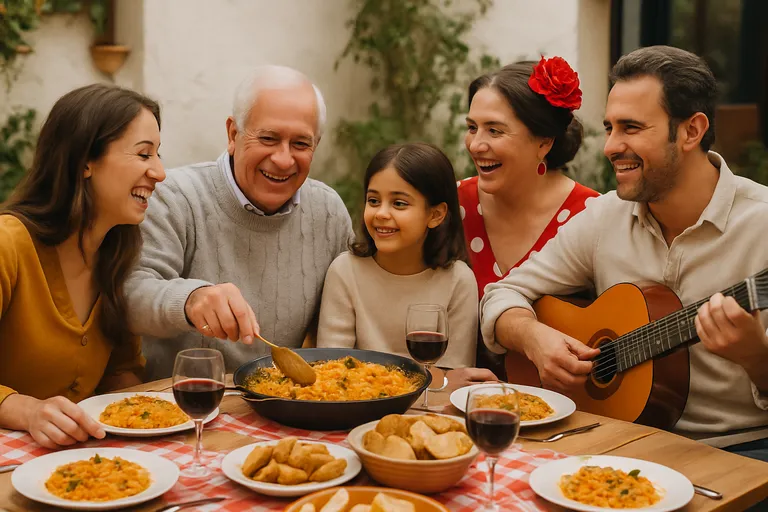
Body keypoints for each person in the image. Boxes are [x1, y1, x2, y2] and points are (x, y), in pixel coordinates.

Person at [480, 45, 768, 458]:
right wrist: (534, 338)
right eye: (609, 128)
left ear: (691, 131)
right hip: (615, 440)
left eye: (630, 127)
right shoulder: (605, 217)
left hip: (739, 449)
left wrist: (756, 356)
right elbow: (502, 294)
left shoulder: (761, 225)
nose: (610, 146)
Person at [124, 65, 353, 380]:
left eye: (301, 144)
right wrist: (191, 299)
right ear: (233, 134)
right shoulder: (174, 196)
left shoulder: (329, 212)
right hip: (179, 399)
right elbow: (129, 294)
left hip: (283, 400)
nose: (284, 159)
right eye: (269, 138)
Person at [0, 84, 166, 448]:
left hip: (81, 463)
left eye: (158, 155)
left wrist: (146, 415)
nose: (160, 172)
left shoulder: (116, 255)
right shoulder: (7, 244)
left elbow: (122, 370)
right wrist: (27, 411)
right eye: (144, 154)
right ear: (84, 161)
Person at [459, 57, 599, 378]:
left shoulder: (592, 216)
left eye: (494, 130)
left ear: (544, 142)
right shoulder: (450, 205)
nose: (476, 145)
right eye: (472, 128)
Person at [317, 143, 478, 371]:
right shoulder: (345, 271)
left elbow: (454, 376)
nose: (381, 213)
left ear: (435, 215)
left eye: (399, 204)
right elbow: (332, 370)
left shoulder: (459, 281)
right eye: (373, 201)